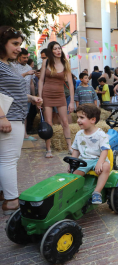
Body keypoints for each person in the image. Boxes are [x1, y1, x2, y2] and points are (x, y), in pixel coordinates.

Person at [0, 26, 43, 215]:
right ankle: (11, 201)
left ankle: (4, 194)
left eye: (20, 44)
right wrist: (1, 116)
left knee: (6, 160)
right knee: (9, 160)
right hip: (8, 118)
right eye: (15, 44)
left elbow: (10, 92)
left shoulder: (7, 64)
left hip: (13, 117)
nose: (19, 48)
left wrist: (31, 98)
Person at [38, 41, 75, 158]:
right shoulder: (46, 62)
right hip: (47, 94)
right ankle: (48, 149)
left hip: (60, 95)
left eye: (59, 48)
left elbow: (71, 83)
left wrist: (72, 101)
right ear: (51, 50)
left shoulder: (65, 63)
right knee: (48, 123)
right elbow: (41, 80)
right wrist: (39, 98)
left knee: (65, 122)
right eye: (55, 49)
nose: (58, 51)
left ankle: (69, 147)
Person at [71, 104, 111, 204]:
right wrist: (72, 163)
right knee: (73, 176)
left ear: (92, 120)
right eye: (77, 117)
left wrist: (100, 163)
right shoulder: (79, 134)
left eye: (81, 117)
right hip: (84, 160)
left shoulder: (100, 134)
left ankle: (97, 192)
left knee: (106, 167)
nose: (78, 120)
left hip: (98, 159)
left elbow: (105, 150)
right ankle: (74, 194)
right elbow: (76, 150)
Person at [12, 47, 37, 141]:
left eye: (27, 57)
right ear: (19, 57)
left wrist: (34, 96)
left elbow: (31, 83)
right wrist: (26, 73)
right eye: (24, 57)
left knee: (25, 114)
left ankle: (25, 134)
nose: (26, 59)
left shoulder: (29, 67)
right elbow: (14, 79)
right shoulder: (13, 66)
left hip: (27, 95)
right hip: (15, 95)